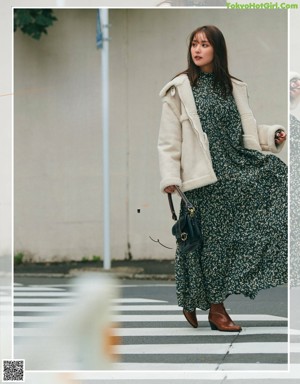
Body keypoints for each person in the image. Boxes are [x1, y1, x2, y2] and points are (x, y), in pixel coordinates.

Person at [158, 25, 287, 332]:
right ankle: (216, 310)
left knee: (280, 183)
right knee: (211, 244)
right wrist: (169, 177)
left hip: (234, 167)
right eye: (193, 44)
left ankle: (198, 299)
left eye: (204, 44)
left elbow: (246, 130)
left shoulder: (233, 86)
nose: (197, 50)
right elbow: (168, 140)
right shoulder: (179, 89)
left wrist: (272, 135)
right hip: (203, 178)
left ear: (217, 49)